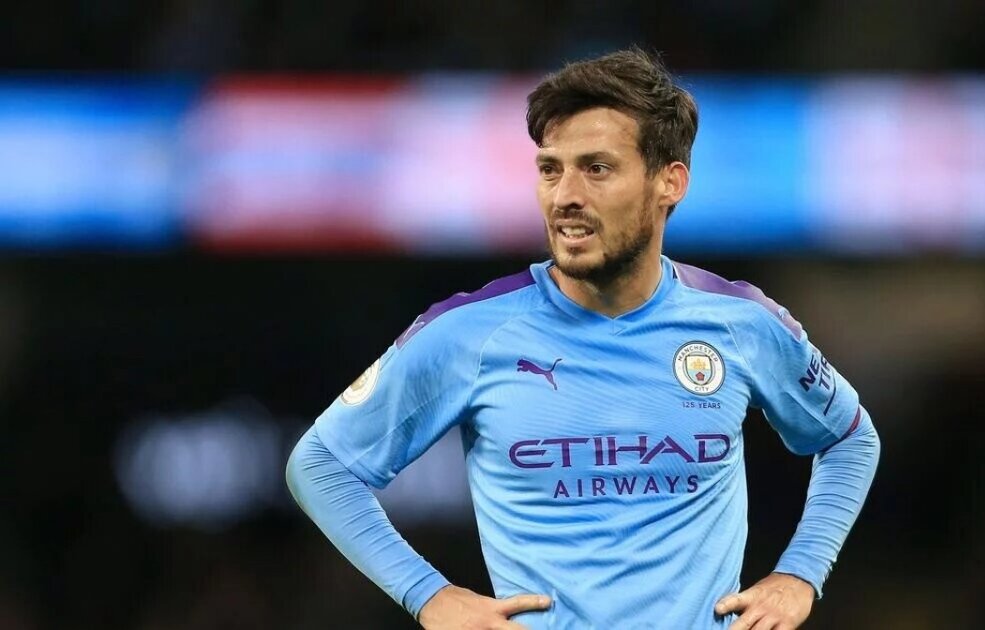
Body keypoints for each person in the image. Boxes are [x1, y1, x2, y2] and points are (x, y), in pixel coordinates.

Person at [287, 47, 880, 629]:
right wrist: (431, 597)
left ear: (669, 182)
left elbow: (850, 438)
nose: (565, 195)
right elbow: (322, 464)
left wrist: (800, 574)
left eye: (597, 169)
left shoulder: (740, 323)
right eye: (551, 169)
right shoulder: (470, 333)